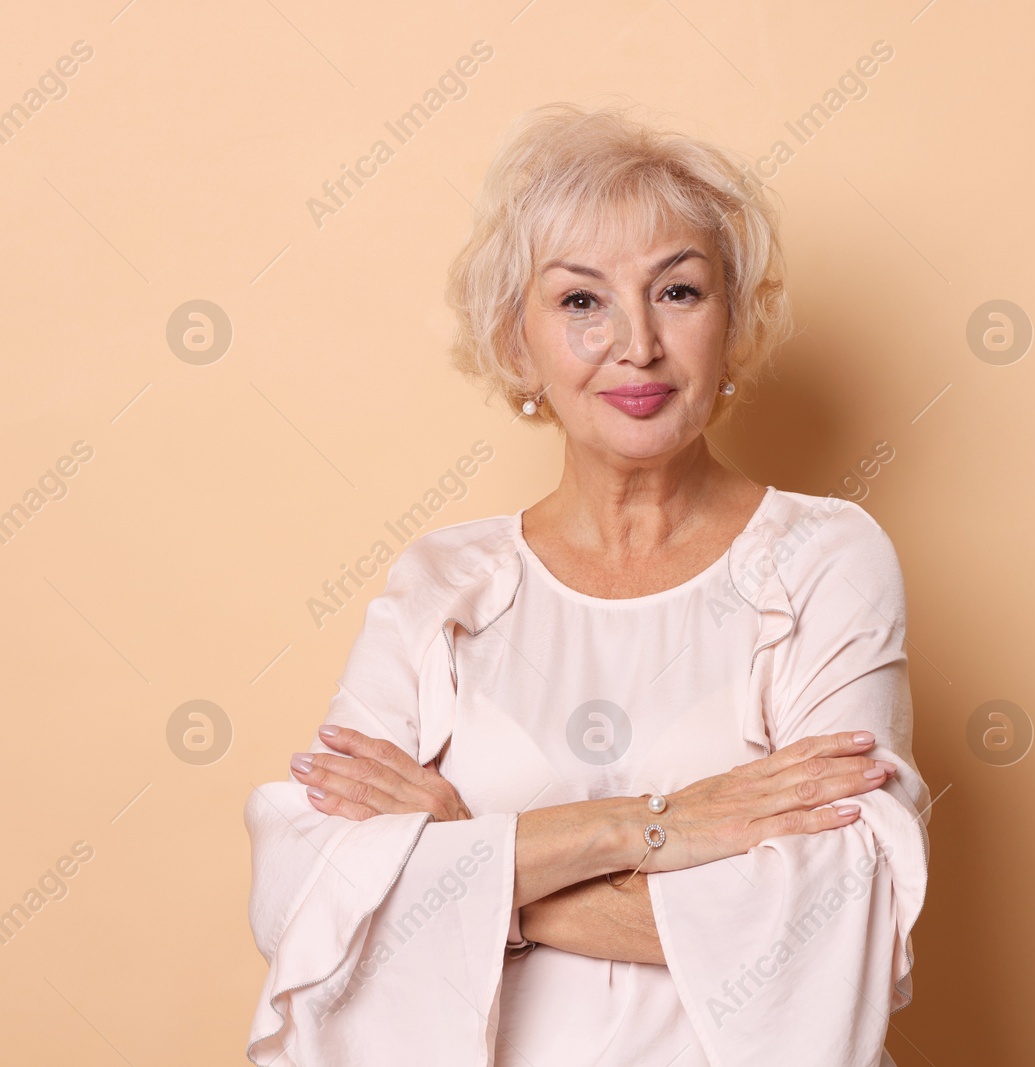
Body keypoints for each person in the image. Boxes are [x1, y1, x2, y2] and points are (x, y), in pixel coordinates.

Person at [243, 100, 930, 1066]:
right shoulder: (444, 583)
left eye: (679, 291)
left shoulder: (824, 557)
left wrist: (468, 862)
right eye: (580, 301)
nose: (637, 344)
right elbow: (300, 890)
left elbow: (835, 923)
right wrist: (661, 825)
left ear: (732, 320)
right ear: (517, 341)